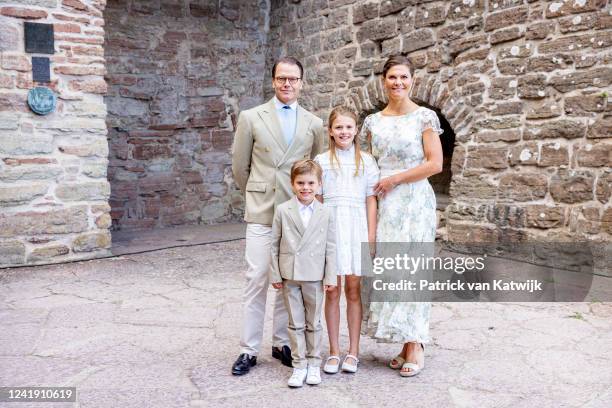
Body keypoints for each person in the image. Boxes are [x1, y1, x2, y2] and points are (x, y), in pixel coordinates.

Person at [231, 57, 327, 376]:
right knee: (257, 277)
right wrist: (259, 191)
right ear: (273, 81)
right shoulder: (251, 117)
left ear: (302, 82)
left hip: (295, 212)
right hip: (262, 210)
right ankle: (248, 349)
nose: (287, 84)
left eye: (293, 79)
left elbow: (315, 167)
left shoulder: (314, 123)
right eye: (281, 78)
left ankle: (281, 342)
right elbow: (239, 167)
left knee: (291, 280)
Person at [360, 55, 443, 377]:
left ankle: (416, 343)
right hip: (385, 205)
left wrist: (394, 178)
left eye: (404, 77)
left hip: (414, 201)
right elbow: (367, 166)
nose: (398, 83)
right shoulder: (373, 122)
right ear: (384, 80)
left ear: (413, 80)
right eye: (392, 77)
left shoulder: (424, 117)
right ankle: (404, 343)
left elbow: (434, 164)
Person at [313, 106, 379, 374]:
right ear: (330, 131)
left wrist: (371, 236)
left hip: (357, 227)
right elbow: (317, 199)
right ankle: (333, 351)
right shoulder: (321, 161)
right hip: (331, 227)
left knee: (353, 290)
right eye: (338, 127)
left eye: (349, 127)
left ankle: (353, 351)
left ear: (356, 130)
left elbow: (370, 200)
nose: (344, 132)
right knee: (332, 290)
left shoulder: (366, 161)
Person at [269, 159, 337, 387]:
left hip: (315, 276)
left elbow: (331, 246)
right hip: (290, 275)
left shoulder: (326, 212)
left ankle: (314, 363)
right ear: (292, 184)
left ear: (319, 184)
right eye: (300, 183)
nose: (305, 187)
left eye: (310, 183)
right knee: (295, 323)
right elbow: (274, 244)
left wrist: (330, 277)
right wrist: (276, 274)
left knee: (314, 323)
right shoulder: (283, 210)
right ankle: (299, 366)